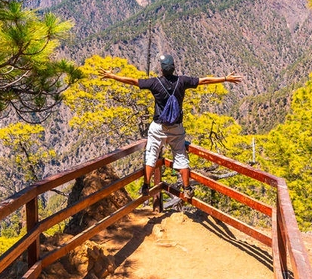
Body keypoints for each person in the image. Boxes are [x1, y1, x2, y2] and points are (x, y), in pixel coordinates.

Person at [99, 54, 241, 200]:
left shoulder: (154, 83)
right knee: (180, 155)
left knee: (151, 155)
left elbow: (133, 81)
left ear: (161, 69)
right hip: (176, 127)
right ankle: (187, 188)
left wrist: (112, 76)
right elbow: (204, 80)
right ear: (173, 68)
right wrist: (225, 78)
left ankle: (146, 186)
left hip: (158, 127)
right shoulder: (182, 81)